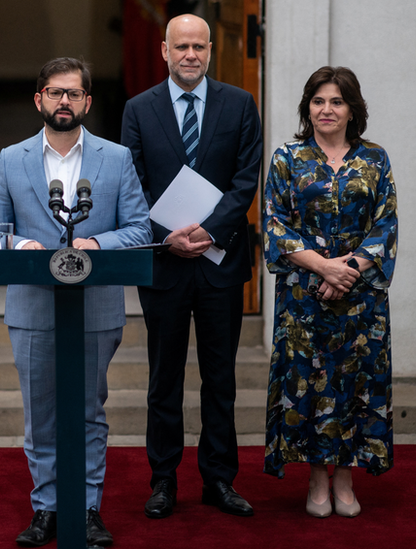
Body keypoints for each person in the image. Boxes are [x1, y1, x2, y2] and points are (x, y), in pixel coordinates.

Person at [0, 57, 152, 547]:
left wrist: (98, 245)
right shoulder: (12, 159)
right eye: (55, 93)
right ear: (39, 100)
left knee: (90, 411)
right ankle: (47, 507)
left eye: (73, 94)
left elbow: (140, 227)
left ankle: (90, 507)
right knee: (41, 414)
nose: (64, 101)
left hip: (95, 306)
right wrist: (20, 246)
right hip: (32, 306)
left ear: (87, 102)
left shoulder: (116, 159)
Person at [121, 14, 262, 518]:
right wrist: (167, 237)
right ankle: (163, 481)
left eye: (198, 46)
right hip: (165, 264)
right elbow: (131, 183)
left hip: (220, 262)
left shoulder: (240, 104)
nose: (190, 55)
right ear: (164, 50)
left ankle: (219, 480)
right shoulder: (138, 109)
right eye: (181, 46)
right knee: (164, 379)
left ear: (209, 51)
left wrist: (209, 231)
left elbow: (247, 178)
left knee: (220, 377)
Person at [262, 66, 398, 518]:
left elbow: (386, 224)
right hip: (304, 295)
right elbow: (274, 225)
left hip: (360, 298)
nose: (326, 109)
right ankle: (317, 477)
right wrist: (323, 267)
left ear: (352, 109)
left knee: (355, 385)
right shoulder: (287, 157)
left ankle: (346, 476)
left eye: (336, 101)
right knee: (309, 384)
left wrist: (349, 270)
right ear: (308, 108)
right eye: (318, 101)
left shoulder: (375, 159)